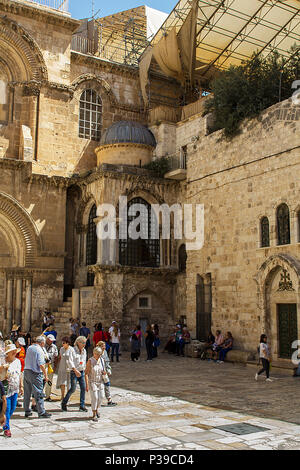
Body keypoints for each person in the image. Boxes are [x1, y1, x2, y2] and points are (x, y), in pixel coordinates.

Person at [23, 336, 51, 419]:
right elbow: (41, 364)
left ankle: (27, 411)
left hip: (27, 371)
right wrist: (46, 375)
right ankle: (41, 412)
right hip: (35, 373)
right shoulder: (39, 350)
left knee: (27, 392)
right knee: (38, 393)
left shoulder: (29, 348)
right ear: (42, 343)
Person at [0, 344, 23, 437]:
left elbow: (20, 374)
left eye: (14, 351)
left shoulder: (17, 361)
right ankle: (7, 429)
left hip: (15, 389)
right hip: (6, 389)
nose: (14, 352)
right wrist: (2, 368)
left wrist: (21, 386)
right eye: (12, 351)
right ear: (8, 353)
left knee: (12, 408)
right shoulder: (3, 362)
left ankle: (3, 420)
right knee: (7, 409)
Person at [61, 336, 88, 412]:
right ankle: (64, 402)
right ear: (78, 342)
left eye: (85, 342)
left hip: (81, 371)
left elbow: (84, 361)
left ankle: (82, 405)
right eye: (83, 342)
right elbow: (70, 361)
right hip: (74, 371)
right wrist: (75, 370)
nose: (84, 344)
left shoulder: (84, 351)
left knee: (83, 388)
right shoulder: (72, 350)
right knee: (73, 388)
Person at [85, 346, 106, 422]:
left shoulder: (102, 360)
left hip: (100, 381)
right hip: (92, 381)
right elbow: (86, 373)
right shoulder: (90, 361)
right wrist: (87, 385)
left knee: (101, 397)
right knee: (95, 397)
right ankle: (94, 414)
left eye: (100, 354)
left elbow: (103, 370)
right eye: (97, 354)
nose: (98, 356)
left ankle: (97, 409)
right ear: (94, 353)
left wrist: (104, 373)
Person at [96, 341, 117, 407]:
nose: (104, 347)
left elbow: (107, 361)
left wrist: (108, 370)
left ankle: (109, 400)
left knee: (107, 384)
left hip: (104, 373)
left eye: (104, 346)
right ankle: (97, 400)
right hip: (98, 373)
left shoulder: (105, 352)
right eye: (102, 346)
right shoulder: (97, 353)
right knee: (99, 386)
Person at [56, 336, 73, 402]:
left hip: (69, 368)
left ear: (67, 343)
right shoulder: (61, 349)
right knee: (62, 382)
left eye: (64, 343)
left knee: (69, 383)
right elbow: (60, 357)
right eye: (62, 342)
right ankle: (62, 396)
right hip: (62, 367)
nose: (62, 344)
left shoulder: (71, 349)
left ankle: (67, 397)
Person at [44, 335, 58, 401]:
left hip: (50, 365)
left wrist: (55, 366)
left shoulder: (54, 347)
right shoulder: (42, 346)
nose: (51, 341)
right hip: (43, 365)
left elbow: (56, 357)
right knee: (42, 379)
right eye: (50, 340)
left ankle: (48, 395)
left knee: (50, 380)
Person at [15, 337, 26, 407]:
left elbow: (23, 357)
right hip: (16, 368)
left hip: (21, 368)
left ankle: (17, 399)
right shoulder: (14, 349)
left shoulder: (22, 349)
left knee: (20, 383)